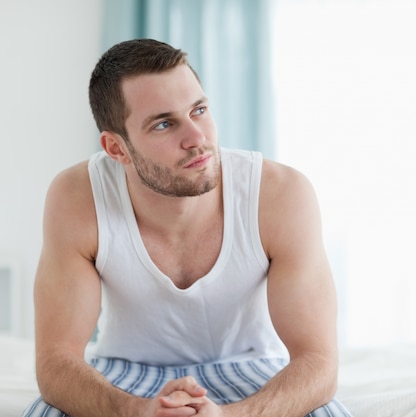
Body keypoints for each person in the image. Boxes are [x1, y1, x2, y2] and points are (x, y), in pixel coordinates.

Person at [23, 38, 351, 417]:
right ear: (117, 149)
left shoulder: (281, 195)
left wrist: (231, 416)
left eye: (199, 110)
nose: (197, 138)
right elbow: (56, 362)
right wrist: (137, 411)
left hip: (252, 368)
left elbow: (319, 362)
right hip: (121, 374)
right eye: (164, 124)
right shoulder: (77, 198)